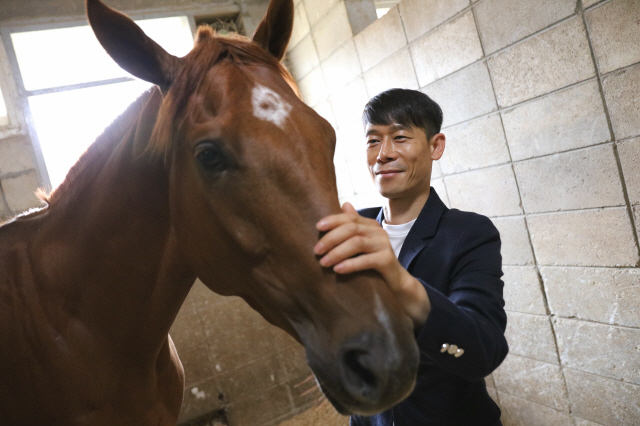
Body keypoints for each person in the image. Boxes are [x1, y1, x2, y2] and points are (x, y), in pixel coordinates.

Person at [314, 88, 508, 426]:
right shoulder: (350, 230)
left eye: (400, 137)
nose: (383, 154)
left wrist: (398, 279)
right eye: (373, 141)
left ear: (435, 146)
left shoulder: (469, 233)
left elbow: (482, 350)